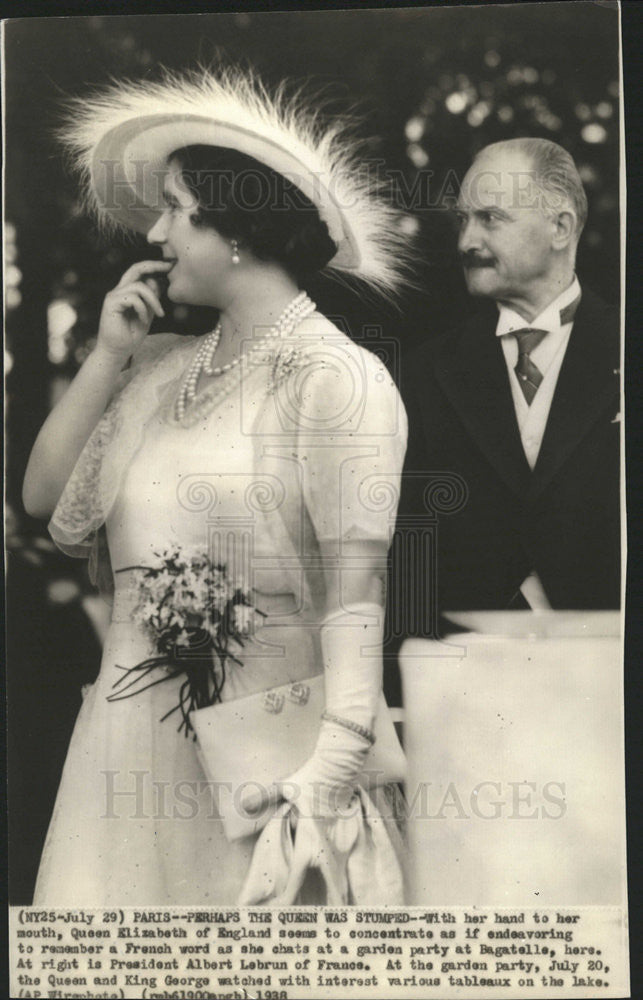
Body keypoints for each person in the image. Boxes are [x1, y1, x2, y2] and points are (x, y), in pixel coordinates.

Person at [23, 67, 412, 906]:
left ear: (234, 227)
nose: (156, 234)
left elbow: (358, 576)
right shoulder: (160, 370)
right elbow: (45, 503)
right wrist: (106, 356)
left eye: (173, 208)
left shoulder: (334, 375)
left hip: (268, 759)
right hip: (125, 745)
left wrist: (339, 755)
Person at [396, 137, 620, 623]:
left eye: (490, 218)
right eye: (463, 220)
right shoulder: (424, 372)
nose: (465, 242)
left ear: (560, 227)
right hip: (466, 677)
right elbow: (407, 555)